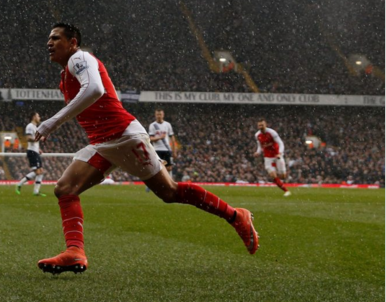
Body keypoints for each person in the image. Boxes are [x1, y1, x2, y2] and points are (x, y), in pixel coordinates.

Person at [34, 24, 259, 274]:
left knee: (170, 192)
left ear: (73, 42)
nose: (49, 43)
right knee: (65, 189)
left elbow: (95, 89)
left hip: (125, 136)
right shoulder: (65, 78)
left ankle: (236, 216)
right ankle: (75, 251)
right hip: (103, 143)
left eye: (56, 38)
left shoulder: (80, 58)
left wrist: (51, 122)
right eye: (48, 39)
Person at [254, 119, 290, 197]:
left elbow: (281, 143)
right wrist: (258, 152)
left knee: (283, 176)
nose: (261, 127)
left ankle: (278, 176)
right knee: (272, 175)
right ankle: (286, 191)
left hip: (277, 155)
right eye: (259, 125)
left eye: (262, 125)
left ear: (265, 125)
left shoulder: (272, 133)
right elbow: (260, 146)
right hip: (268, 157)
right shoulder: (257, 135)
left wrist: (280, 153)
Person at [15, 112, 46, 197]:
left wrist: (38, 149)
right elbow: (28, 138)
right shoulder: (30, 126)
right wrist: (39, 138)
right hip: (32, 152)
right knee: (38, 171)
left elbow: (34, 141)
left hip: (35, 151)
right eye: (38, 116)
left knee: (40, 172)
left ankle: (36, 192)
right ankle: (20, 184)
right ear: (33, 117)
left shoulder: (35, 127)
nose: (39, 117)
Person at [148, 108, 177, 173]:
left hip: (167, 149)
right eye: (157, 114)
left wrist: (174, 151)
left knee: (169, 168)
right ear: (155, 115)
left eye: (160, 114)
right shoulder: (152, 125)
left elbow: (172, 137)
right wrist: (160, 137)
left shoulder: (167, 125)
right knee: (158, 168)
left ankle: (166, 181)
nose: (159, 116)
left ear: (163, 115)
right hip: (157, 149)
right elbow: (150, 138)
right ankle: (160, 181)